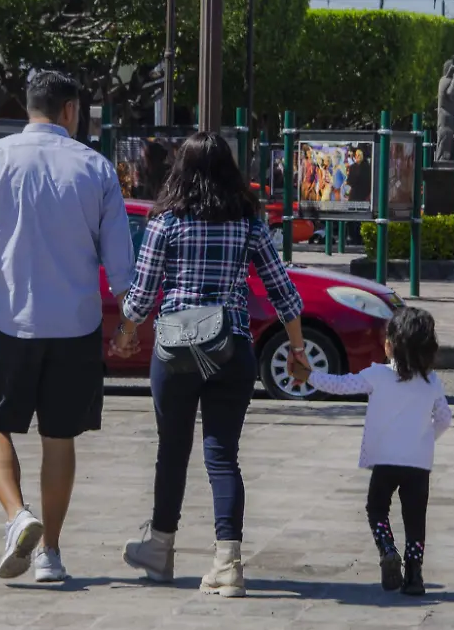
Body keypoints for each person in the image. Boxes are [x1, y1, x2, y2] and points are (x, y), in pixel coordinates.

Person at [0, 70, 134, 584]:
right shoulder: (96, 167)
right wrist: (129, 322)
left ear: (30, 107)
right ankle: (51, 554)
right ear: (70, 110)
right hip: (75, 325)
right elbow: (121, 261)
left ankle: (17, 515)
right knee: (60, 436)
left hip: (7, 321)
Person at [111, 132, 308, 598]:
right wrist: (297, 349)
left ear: (181, 169)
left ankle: (160, 548)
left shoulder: (166, 223)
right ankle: (228, 563)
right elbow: (283, 292)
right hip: (231, 346)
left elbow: (142, 294)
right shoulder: (249, 224)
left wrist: (125, 333)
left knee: (172, 450)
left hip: (176, 350)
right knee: (223, 456)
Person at [290, 307, 452, 596]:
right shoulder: (432, 382)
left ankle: (387, 548)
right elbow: (444, 419)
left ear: (389, 346)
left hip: (384, 459)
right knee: (415, 519)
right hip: (418, 463)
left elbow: (340, 385)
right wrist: (426, 438)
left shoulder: (377, 375)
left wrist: (309, 375)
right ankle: (414, 576)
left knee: (377, 509)